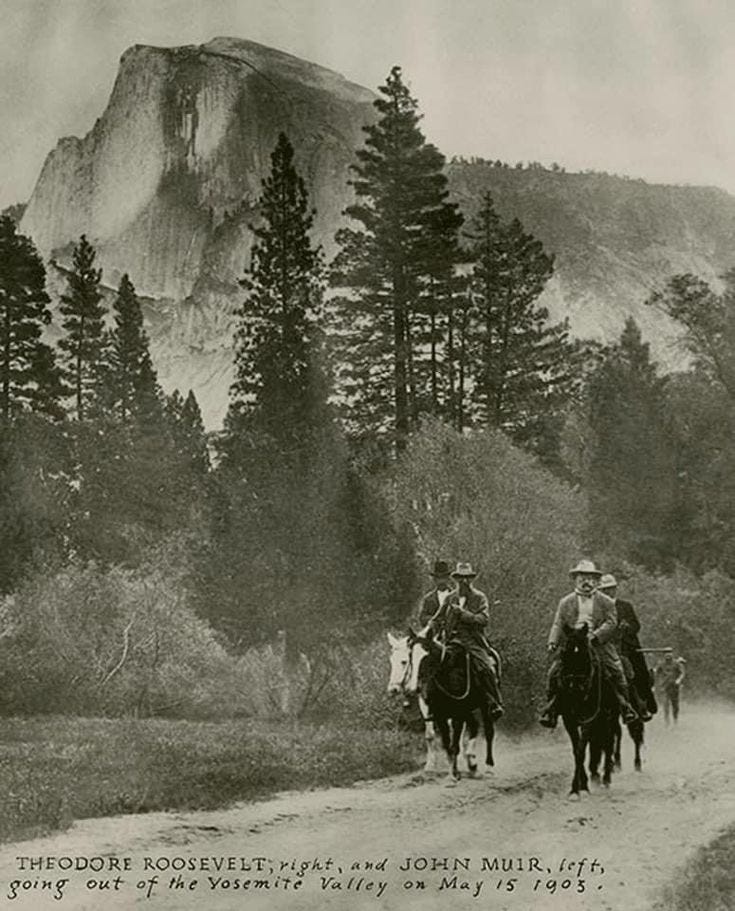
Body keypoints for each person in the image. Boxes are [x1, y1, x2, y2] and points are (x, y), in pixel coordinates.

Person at [539, 559, 638, 729]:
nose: (586, 581)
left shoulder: (606, 601)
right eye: (582, 577)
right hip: (572, 644)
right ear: (576, 579)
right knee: (553, 673)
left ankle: (625, 706)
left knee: (617, 671)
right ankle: (551, 709)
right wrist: (553, 641)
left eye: (590, 578)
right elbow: (558, 623)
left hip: (598, 644)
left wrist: (595, 636)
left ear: (595, 580)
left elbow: (611, 622)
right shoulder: (565, 602)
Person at [440, 562, 504, 721]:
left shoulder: (479, 597)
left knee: (486, 667)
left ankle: (494, 702)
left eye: (467, 578)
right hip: (452, 642)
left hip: (473, 641)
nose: (464, 582)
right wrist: (427, 631)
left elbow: (483, 620)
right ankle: (433, 703)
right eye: (460, 578)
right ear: (455, 579)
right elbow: (437, 618)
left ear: (471, 579)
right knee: (434, 663)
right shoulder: (449, 598)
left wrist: (463, 614)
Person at [597, 574, 655, 721]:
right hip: (604, 645)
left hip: (626, 646)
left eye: (610, 589)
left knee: (637, 670)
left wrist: (627, 628)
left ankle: (644, 704)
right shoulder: (597, 608)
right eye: (604, 589)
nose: (607, 592)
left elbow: (636, 625)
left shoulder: (625, 606)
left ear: (615, 589)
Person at [416, 559, 455, 639]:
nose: (441, 581)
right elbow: (422, 618)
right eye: (438, 578)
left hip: (453, 634)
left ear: (448, 579)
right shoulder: (428, 598)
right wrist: (435, 620)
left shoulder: (455, 596)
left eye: (443, 578)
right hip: (433, 635)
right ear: (434, 580)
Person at [656, 651, 686, 724]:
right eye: (666, 653)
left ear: (672, 654)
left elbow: (682, 673)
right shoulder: (661, 664)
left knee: (675, 705)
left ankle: (675, 720)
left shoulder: (676, 663)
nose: (668, 655)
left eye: (669, 653)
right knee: (665, 704)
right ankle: (667, 721)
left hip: (674, 687)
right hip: (665, 687)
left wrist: (679, 680)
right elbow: (656, 673)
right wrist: (657, 683)